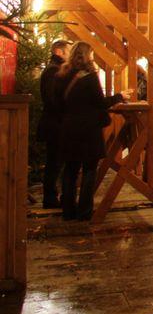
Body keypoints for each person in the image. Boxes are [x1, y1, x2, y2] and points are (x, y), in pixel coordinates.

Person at [55, 42, 127, 220]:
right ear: (88, 55)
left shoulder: (62, 74)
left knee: (70, 170)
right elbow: (100, 103)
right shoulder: (90, 76)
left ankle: (68, 210)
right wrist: (120, 96)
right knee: (89, 170)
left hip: (69, 128)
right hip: (88, 131)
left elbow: (57, 103)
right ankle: (84, 210)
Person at [37, 39, 70, 208]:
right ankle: (50, 198)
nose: (70, 55)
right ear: (59, 52)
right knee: (54, 162)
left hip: (55, 123)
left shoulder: (54, 70)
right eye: (68, 51)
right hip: (55, 124)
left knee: (55, 162)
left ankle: (51, 197)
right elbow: (52, 99)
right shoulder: (53, 71)